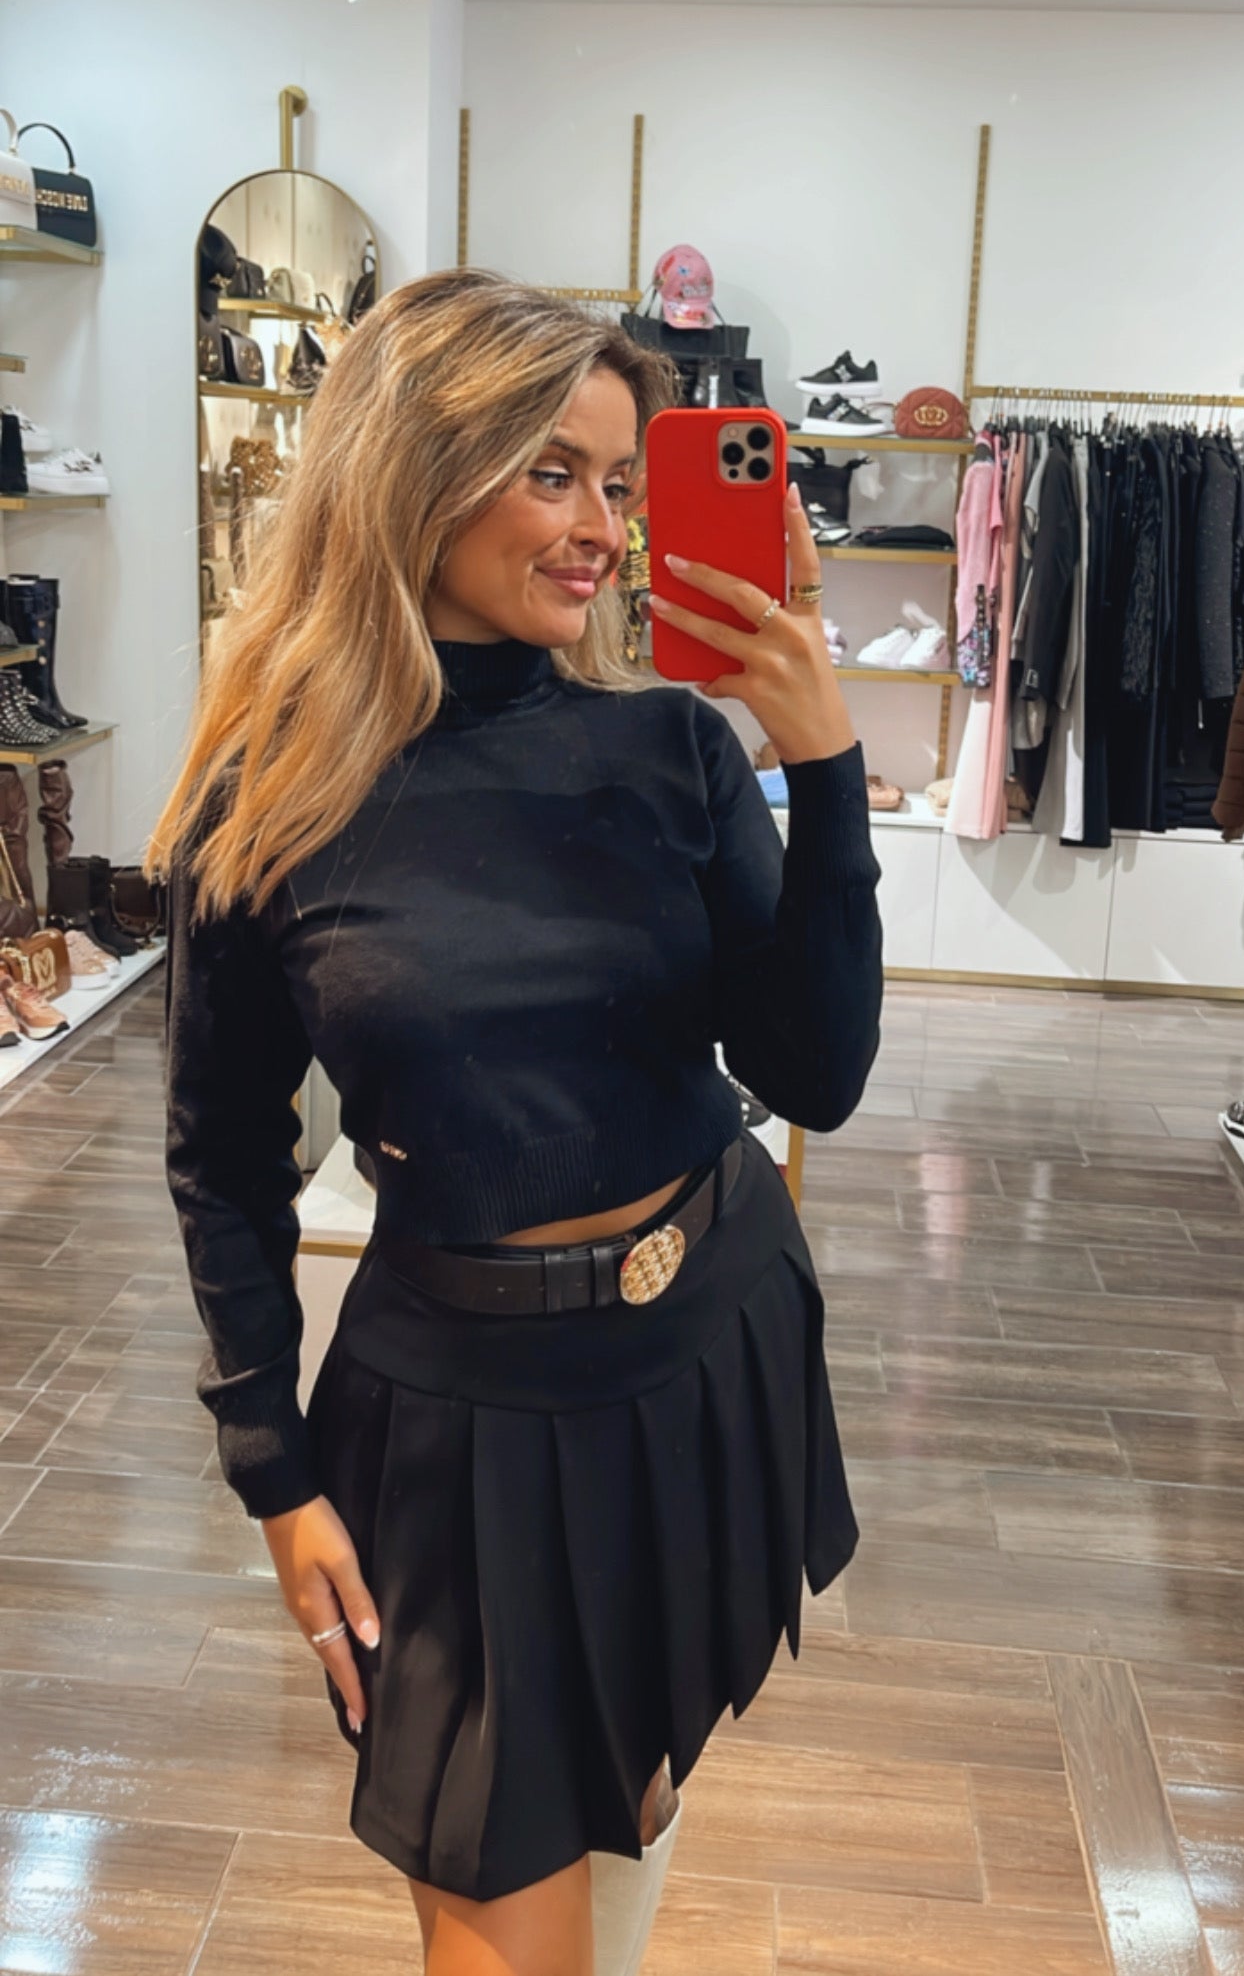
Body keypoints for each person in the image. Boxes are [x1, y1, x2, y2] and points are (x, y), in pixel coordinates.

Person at [147, 270, 883, 1976]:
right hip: (459, 1427)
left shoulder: (671, 750)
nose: (604, 530)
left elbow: (818, 1071)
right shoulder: (273, 794)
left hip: (705, 1346)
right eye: (553, 473)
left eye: (618, 483)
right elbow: (223, 1157)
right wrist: (272, 1473)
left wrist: (825, 763)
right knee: (503, 1899)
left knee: (629, 1798)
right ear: (415, 466)